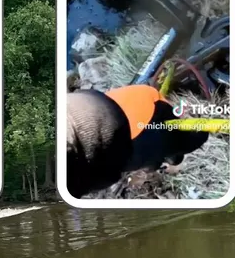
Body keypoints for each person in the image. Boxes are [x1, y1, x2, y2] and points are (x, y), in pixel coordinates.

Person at [65, 84, 208, 198]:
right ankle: (174, 152)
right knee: (173, 147)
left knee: (188, 141)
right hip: (104, 103)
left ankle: (188, 141)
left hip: (132, 127)